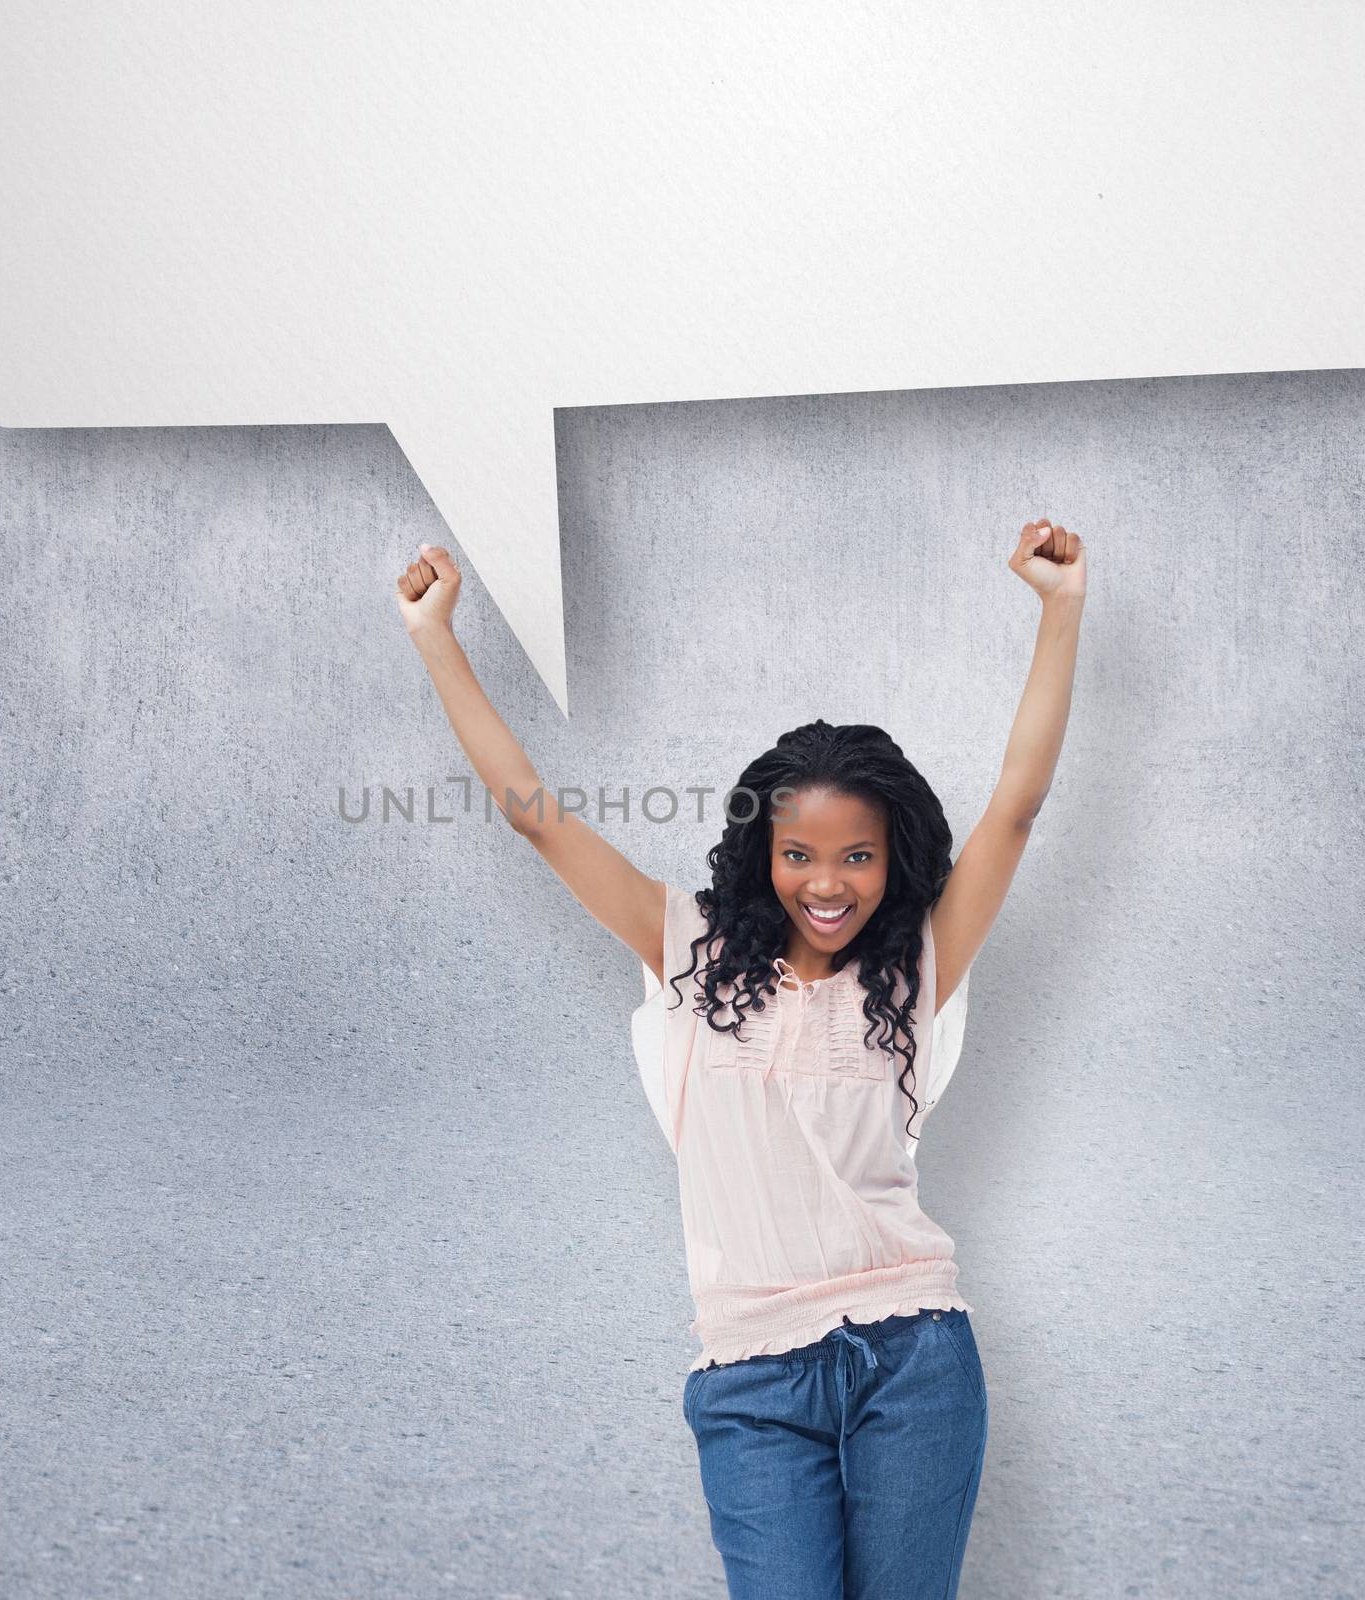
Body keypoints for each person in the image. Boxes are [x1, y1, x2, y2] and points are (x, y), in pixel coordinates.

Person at [395, 519, 1087, 1600]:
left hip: (914, 1360)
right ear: (761, 860)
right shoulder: (687, 948)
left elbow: (1016, 804)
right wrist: (434, 634)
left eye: (857, 855)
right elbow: (533, 815)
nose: (828, 880)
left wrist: (1060, 606)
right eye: (800, 853)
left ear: (890, 857)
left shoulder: (913, 966)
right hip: (751, 1379)